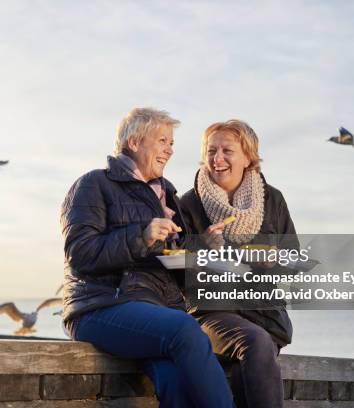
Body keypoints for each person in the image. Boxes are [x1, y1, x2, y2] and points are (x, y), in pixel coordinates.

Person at [60, 108, 235, 408]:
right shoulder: (93, 184)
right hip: (100, 306)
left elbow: (174, 269)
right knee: (184, 329)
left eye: (172, 142)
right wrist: (141, 236)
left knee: (175, 380)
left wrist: (203, 247)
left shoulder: (166, 194)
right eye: (163, 140)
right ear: (135, 142)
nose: (170, 149)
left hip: (154, 314)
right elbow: (81, 254)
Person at [180, 119, 299, 408]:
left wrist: (274, 260)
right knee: (255, 344)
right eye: (211, 151)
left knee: (249, 362)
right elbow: (174, 270)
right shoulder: (188, 204)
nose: (217, 159)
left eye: (227, 151)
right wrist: (202, 250)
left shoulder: (273, 199)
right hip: (212, 314)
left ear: (248, 157)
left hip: (265, 316)